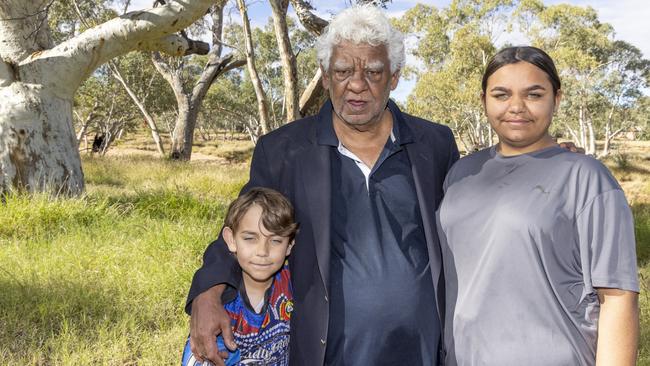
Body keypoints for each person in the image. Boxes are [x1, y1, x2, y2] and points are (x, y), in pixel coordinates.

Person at [186, 4, 459, 366]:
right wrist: (207, 292)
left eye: (374, 72)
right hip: (325, 352)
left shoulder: (434, 144)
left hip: (422, 350)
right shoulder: (284, 151)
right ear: (326, 76)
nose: (357, 84)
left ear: (394, 78)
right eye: (343, 71)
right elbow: (245, 229)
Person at [436, 46, 640, 365]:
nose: (516, 107)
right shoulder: (462, 173)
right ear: (483, 100)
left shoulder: (587, 178)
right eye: (501, 95)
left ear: (556, 99)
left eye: (534, 94)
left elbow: (618, 299)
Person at [182, 187, 298, 365]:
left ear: (289, 245)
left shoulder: (294, 285)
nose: (262, 251)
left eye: (276, 241)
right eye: (250, 238)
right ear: (230, 239)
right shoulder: (220, 305)